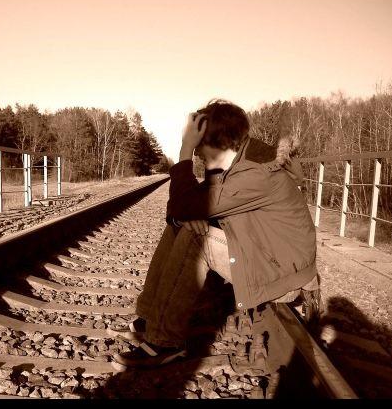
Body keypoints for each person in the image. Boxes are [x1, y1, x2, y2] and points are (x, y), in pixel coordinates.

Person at [111, 99, 320, 368]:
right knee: (181, 225)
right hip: (266, 252)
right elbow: (180, 209)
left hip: (284, 272)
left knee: (197, 238)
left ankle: (165, 342)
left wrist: (184, 151)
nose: (196, 152)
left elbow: (184, 204)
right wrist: (184, 217)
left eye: (198, 144)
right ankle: (150, 319)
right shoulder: (237, 164)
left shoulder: (255, 174)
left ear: (215, 142)